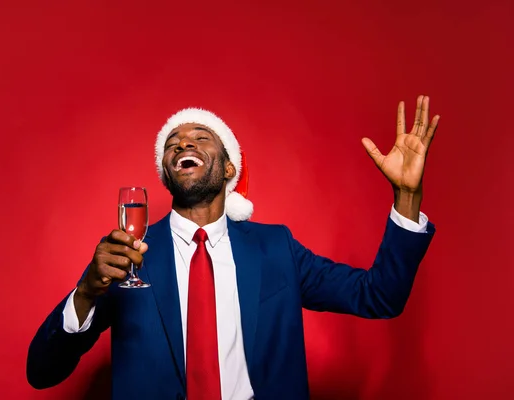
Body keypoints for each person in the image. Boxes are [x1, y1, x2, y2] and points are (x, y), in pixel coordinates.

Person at [27, 96, 439, 400]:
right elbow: (42, 372)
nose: (183, 144)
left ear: (228, 168)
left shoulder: (277, 248)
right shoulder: (130, 255)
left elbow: (380, 296)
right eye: (173, 143)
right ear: (166, 175)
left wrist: (407, 196)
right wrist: (86, 291)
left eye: (200, 137)